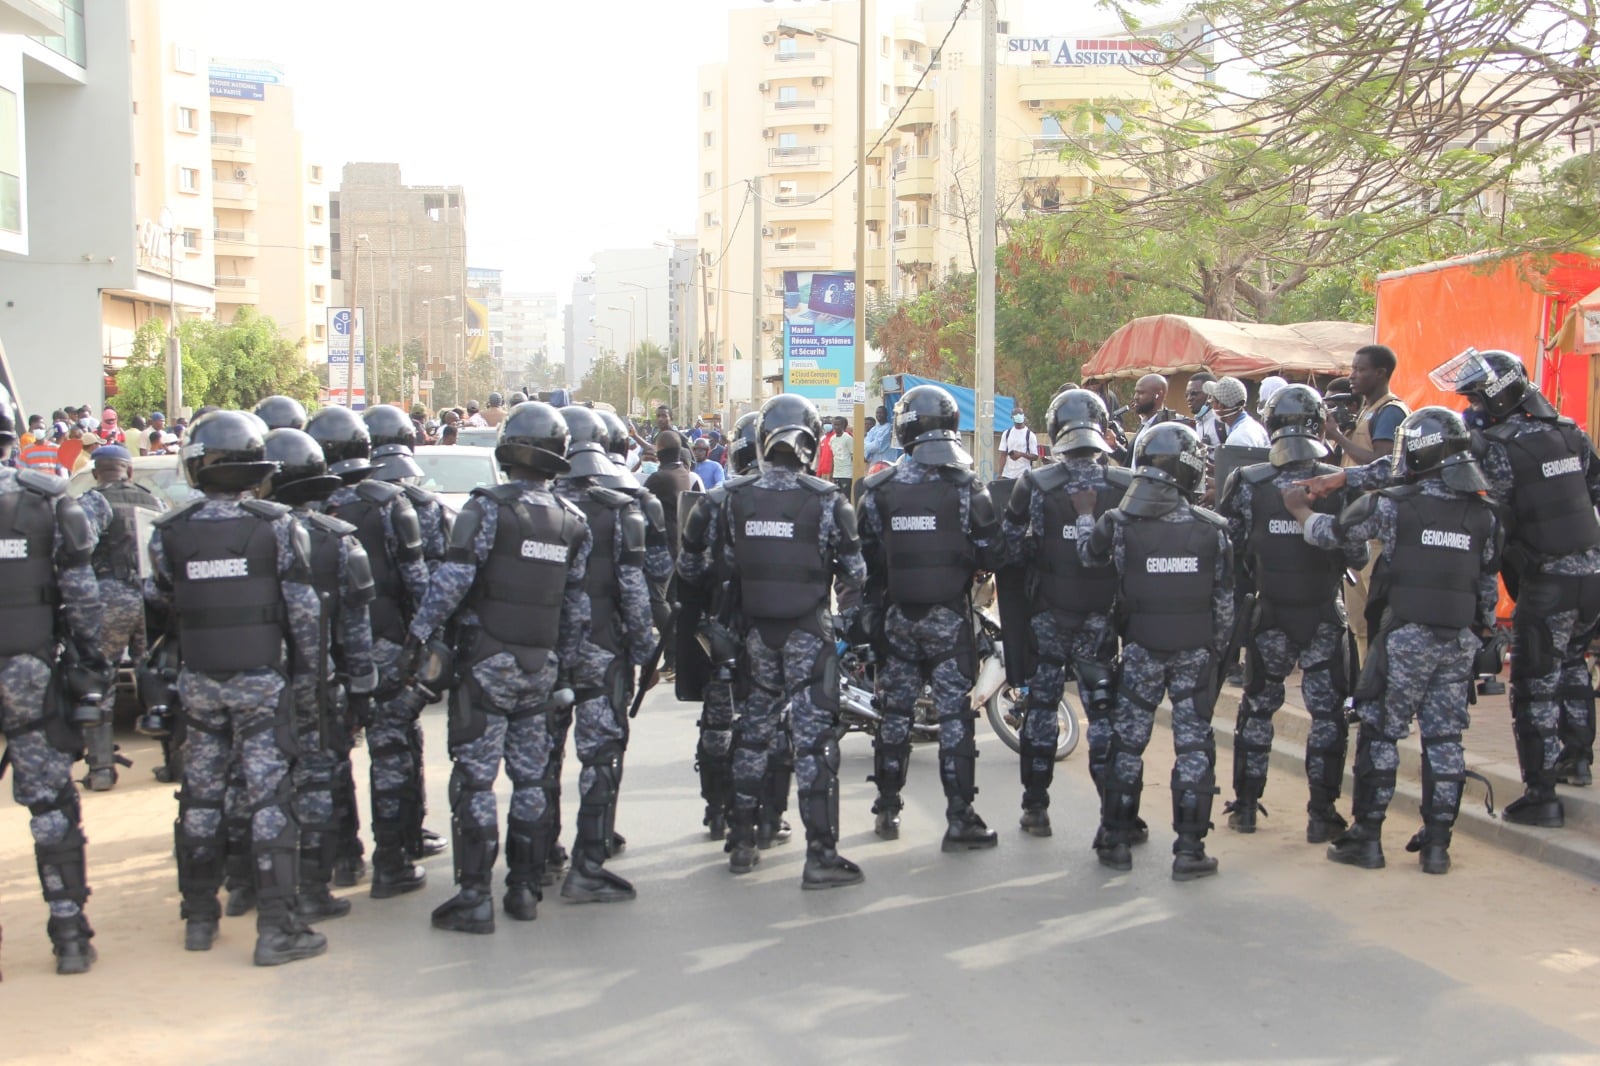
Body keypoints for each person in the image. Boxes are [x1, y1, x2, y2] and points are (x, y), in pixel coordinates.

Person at [146, 410, 328, 964]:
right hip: (261, 683)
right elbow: (304, 613)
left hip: (200, 682)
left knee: (201, 797)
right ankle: (277, 930)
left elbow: (162, 600)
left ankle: (200, 918)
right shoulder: (278, 526)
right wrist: (309, 684)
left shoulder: (170, 531)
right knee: (270, 799)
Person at [1285, 407, 1499, 873]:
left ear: (1418, 453)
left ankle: (1368, 837)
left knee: (1381, 732)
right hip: (1457, 640)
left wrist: (1300, 509)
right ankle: (1437, 845)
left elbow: (1333, 534)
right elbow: (1486, 589)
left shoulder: (1393, 505)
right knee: (1445, 740)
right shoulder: (1484, 514)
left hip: (1406, 638)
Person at [404, 402, 591, 934]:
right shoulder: (573, 522)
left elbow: (452, 582)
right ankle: (524, 890)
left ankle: (474, 897)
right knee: (531, 781)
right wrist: (566, 669)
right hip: (540, 667)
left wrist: (417, 637)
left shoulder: (486, 509)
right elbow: (576, 608)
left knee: (476, 782)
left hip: (486, 662)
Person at [688, 394, 867, 887]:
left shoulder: (731, 499)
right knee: (814, 745)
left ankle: (742, 843)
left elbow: (702, 567)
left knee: (752, 735)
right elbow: (856, 573)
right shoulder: (827, 500)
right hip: (808, 632)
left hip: (754, 635)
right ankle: (820, 856)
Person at [1436, 349, 1599, 816]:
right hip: (1591, 577)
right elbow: (1592, 488)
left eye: (1475, 399)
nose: (1472, 409)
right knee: (1573, 666)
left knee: (1533, 687)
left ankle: (1541, 797)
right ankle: (1577, 759)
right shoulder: (1570, 433)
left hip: (1547, 583)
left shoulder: (1499, 448)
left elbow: (1483, 510)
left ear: (1499, 397)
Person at [1077, 422, 1233, 879]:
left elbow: (1088, 556)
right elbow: (1225, 608)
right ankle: (1189, 851)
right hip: (1194, 653)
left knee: (1127, 746)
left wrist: (1085, 514)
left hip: (1142, 648)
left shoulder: (1119, 523)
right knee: (1194, 746)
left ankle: (1116, 841)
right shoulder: (1213, 530)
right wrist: (1214, 653)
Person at [1216, 386, 1366, 842]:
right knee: (1327, 718)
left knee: (1257, 710)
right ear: (1319, 425)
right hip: (1323, 614)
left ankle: (1245, 806)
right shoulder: (1337, 482)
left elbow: (1230, 550)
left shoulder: (1248, 481)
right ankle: (1322, 813)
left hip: (1271, 613)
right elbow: (1358, 554)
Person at [858, 384, 1003, 850]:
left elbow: (866, 561)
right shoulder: (966, 487)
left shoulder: (878, 490)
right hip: (948, 620)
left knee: (894, 715)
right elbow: (994, 550)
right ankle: (960, 819)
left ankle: (886, 809)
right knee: (956, 718)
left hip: (897, 619)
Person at [0, 381, 106, 974]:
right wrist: (90, 663)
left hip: (31, 666)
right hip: (29, 672)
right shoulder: (45, 502)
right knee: (49, 804)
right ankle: (69, 936)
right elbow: (82, 598)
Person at [307, 406, 430, 898]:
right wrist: (421, 644)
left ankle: (342, 858)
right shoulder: (389, 504)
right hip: (384, 644)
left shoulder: (300, 510)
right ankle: (392, 861)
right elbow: (417, 582)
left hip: (321, 652)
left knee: (330, 755)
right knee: (390, 753)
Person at [260, 428, 378, 921]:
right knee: (320, 779)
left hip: (255, 681)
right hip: (316, 682)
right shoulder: (336, 540)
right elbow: (355, 626)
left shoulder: (246, 532)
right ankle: (320, 881)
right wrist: (361, 685)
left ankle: (249, 888)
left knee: (253, 785)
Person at [1000, 390, 1128, 838]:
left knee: (1041, 710)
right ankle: (1115, 816)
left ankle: (1035, 809)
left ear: (1055, 431)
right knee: (1104, 716)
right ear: (1102, 427)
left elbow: (1008, 549)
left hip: (1048, 614)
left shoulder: (1035, 484)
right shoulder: (1124, 484)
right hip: (1101, 619)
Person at [551, 406, 657, 903]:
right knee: (601, 755)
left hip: (541, 655)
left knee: (541, 760)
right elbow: (633, 588)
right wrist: (645, 649)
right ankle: (588, 862)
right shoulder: (616, 509)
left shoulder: (535, 504)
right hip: (601, 649)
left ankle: (538, 857)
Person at [365, 404, 452, 860]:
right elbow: (431, 584)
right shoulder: (421, 508)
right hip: (395, 641)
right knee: (396, 744)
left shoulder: (331, 505)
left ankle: (341, 856)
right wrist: (427, 645)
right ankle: (398, 847)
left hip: (333, 646)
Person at [77, 443, 165, 791]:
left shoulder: (93, 502)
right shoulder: (152, 500)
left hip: (110, 599)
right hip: (151, 598)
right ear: (128, 470)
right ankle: (175, 761)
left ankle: (101, 769)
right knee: (158, 675)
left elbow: (77, 549)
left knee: (101, 680)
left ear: (96, 473)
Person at [1326, 345, 1409, 661]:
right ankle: (1364, 686)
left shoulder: (1391, 412)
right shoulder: (1366, 410)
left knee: (1378, 621)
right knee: (1358, 623)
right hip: (1356, 528)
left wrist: (1338, 436)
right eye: (1352, 369)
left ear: (1381, 373)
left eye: (1360, 370)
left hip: (1377, 533)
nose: (1352, 376)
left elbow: (1382, 465)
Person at [1206, 377, 1270, 448]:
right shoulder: (1253, 426)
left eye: (1212, 402)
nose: (1211, 405)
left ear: (1220, 406)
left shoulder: (1237, 439)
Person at [998, 408, 1042, 480]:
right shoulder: (1006, 434)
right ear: (1012, 418)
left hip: (1023, 475)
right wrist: (1000, 474)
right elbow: (1003, 455)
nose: (1018, 418)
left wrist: (1021, 454)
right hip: (1007, 475)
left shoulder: (1030, 435)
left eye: (1020, 415)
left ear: (1024, 417)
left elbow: (1035, 457)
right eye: (1016, 415)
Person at [1185, 371, 1221, 449]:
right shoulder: (1194, 425)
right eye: (1186, 395)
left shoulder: (1223, 423)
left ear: (1210, 395)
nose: (1189, 398)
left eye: (1194, 393)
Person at [863, 403, 900, 469]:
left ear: (886, 414)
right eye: (877, 413)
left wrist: (868, 445)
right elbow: (865, 442)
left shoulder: (889, 428)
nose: (878, 415)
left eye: (881, 413)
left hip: (886, 463)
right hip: (874, 464)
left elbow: (877, 447)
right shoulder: (874, 428)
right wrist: (868, 445)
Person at [828, 415, 854, 497]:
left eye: (838, 425)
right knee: (836, 497)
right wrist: (831, 473)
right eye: (834, 425)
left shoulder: (848, 438)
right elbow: (834, 457)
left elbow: (853, 455)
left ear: (843, 425)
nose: (836, 427)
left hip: (846, 474)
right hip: (836, 474)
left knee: (845, 497)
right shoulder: (832, 439)